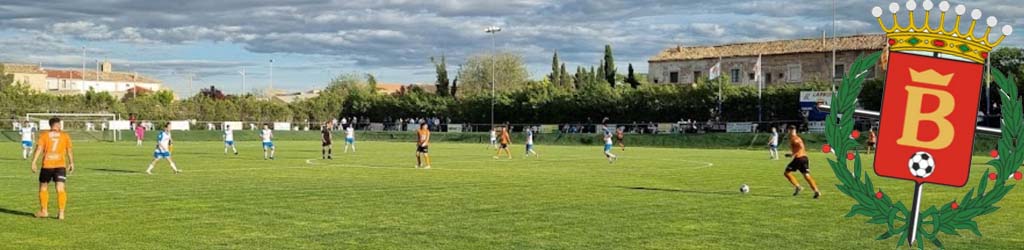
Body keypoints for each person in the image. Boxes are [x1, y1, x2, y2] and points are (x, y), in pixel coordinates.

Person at [30, 117, 74, 220]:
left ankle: (44, 211)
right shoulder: (64, 136)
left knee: (43, 187)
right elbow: (69, 150)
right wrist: (71, 163)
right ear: (57, 125)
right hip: (60, 165)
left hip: (47, 165)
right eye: (60, 124)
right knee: (60, 188)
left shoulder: (44, 135)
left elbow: (39, 148)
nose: (60, 126)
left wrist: (33, 162)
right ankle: (61, 213)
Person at [784, 125, 820, 199]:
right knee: (806, 175)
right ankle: (816, 191)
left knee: (787, 172)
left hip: (799, 158)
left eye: (791, 130)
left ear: (789, 130)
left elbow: (799, 145)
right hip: (804, 158)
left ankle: (798, 186)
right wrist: (791, 154)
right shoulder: (796, 138)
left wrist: (794, 154)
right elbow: (799, 148)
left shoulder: (795, 139)